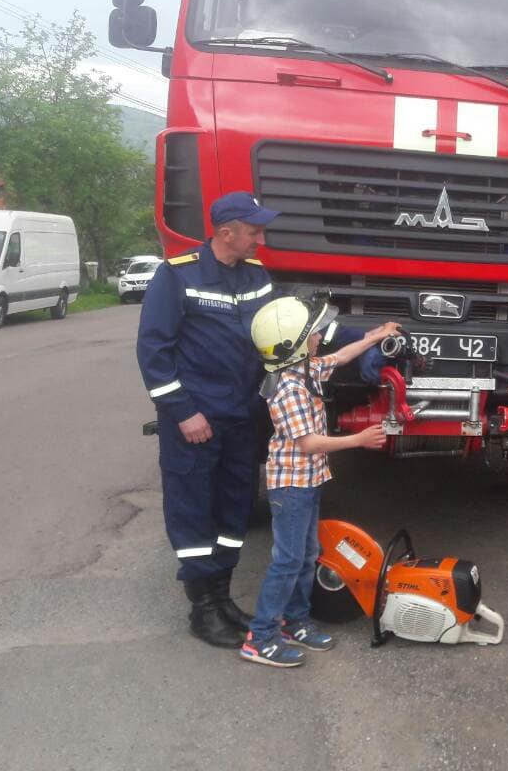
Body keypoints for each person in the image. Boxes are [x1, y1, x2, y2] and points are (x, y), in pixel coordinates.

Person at [136, 191, 285, 647]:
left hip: (242, 418)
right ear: (226, 233)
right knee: (193, 511)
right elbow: (153, 351)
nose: (261, 237)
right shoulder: (177, 275)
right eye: (254, 230)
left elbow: (283, 328)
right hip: (197, 421)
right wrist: (182, 412)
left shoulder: (257, 278)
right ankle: (202, 610)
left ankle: (222, 598)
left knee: (234, 508)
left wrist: (363, 336)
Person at [239, 296, 398, 667]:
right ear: (291, 345)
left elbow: (341, 357)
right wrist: (357, 441)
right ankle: (261, 637)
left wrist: (376, 336)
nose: (319, 338)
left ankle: (295, 621)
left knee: (307, 555)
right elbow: (308, 443)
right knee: (288, 560)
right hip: (291, 485)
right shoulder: (286, 388)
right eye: (311, 334)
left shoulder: (305, 370)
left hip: (309, 480)